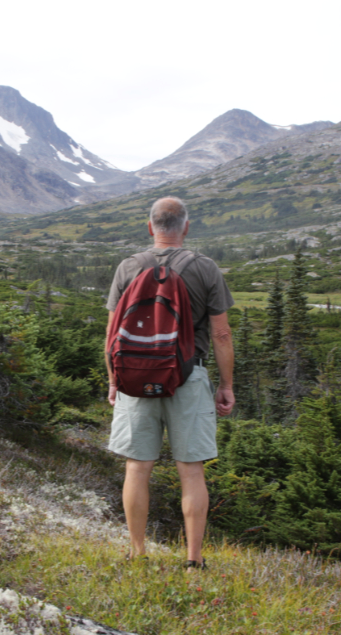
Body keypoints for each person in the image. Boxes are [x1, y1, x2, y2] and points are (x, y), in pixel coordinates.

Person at [104, 196, 235, 568]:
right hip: (188, 377)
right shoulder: (205, 268)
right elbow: (222, 335)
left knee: (137, 467)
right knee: (191, 471)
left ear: (150, 227)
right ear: (186, 227)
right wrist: (225, 386)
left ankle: (137, 552)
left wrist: (115, 380)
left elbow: (112, 333)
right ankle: (193, 561)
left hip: (135, 380)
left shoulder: (129, 266)